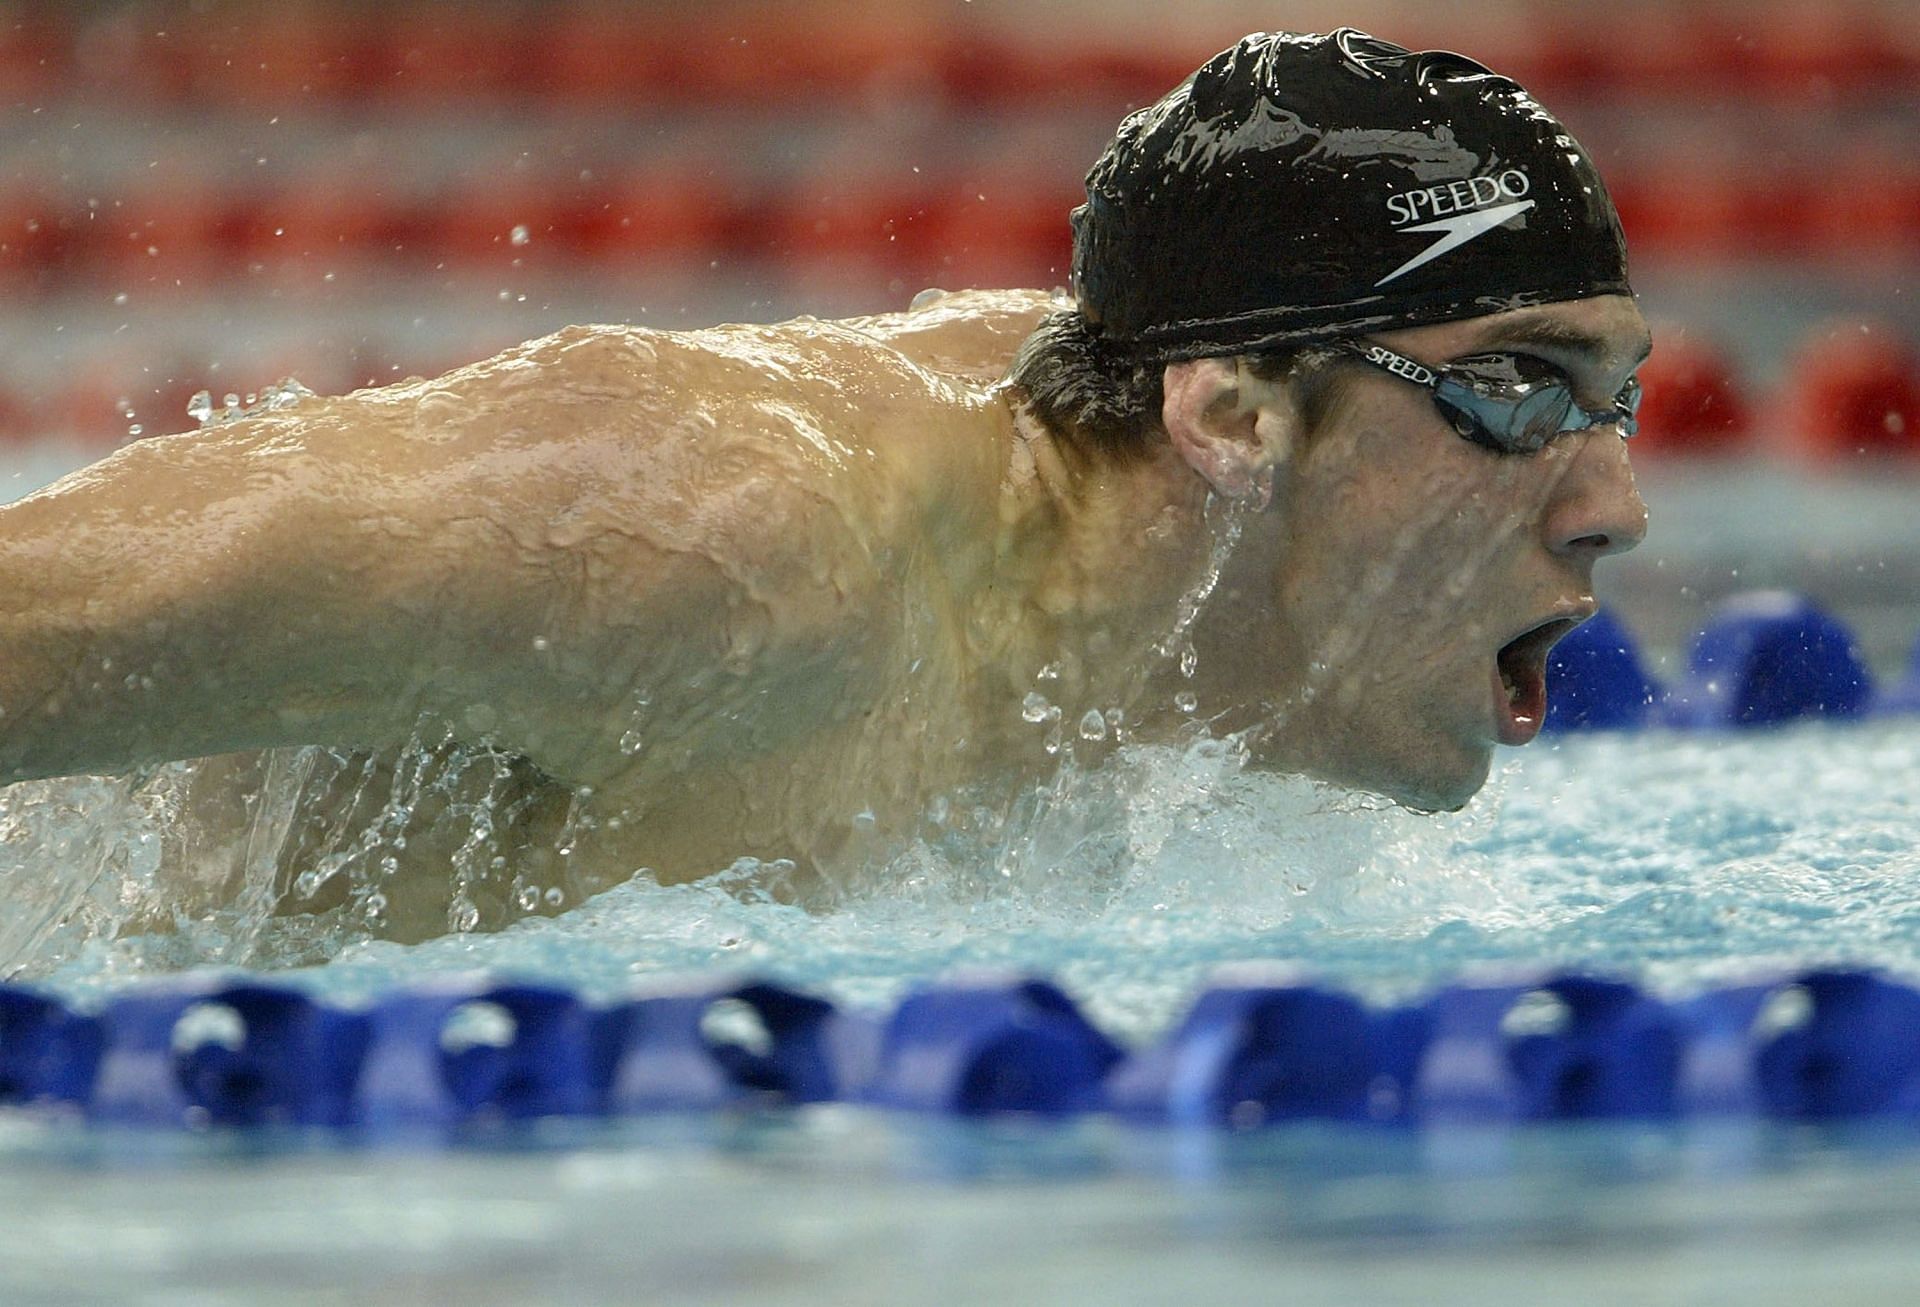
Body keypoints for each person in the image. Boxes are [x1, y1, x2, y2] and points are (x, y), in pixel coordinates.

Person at [0, 30, 1648, 940]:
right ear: (1231, 419)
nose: (1612, 505)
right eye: (1519, 390)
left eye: (1620, 401)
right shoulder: (711, 544)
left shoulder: (1213, 651)